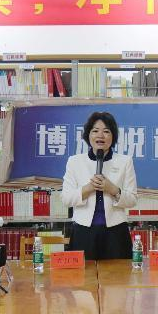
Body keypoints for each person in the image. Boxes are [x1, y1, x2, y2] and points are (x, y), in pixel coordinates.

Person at [61, 111, 138, 260]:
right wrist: (88, 188)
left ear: (113, 136)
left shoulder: (125, 161)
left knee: (118, 274)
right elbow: (66, 199)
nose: (100, 136)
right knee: (83, 274)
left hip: (116, 232)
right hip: (83, 231)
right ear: (88, 135)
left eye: (106, 131)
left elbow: (132, 199)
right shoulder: (75, 161)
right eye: (95, 131)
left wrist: (113, 190)